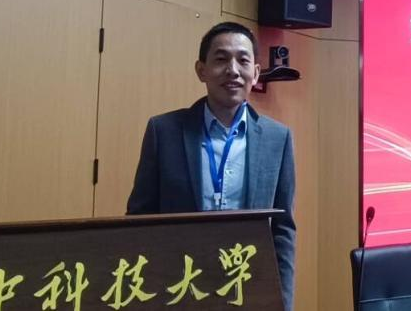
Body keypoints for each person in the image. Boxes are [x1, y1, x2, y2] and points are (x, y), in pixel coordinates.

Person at [126, 22, 296, 310]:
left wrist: (283, 303)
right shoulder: (164, 131)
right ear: (201, 70)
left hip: (249, 290)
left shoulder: (277, 138)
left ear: (255, 73)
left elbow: (282, 230)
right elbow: (139, 220)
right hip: (177, 290)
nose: (233, 70)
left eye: (243, 60)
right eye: (221, 59)